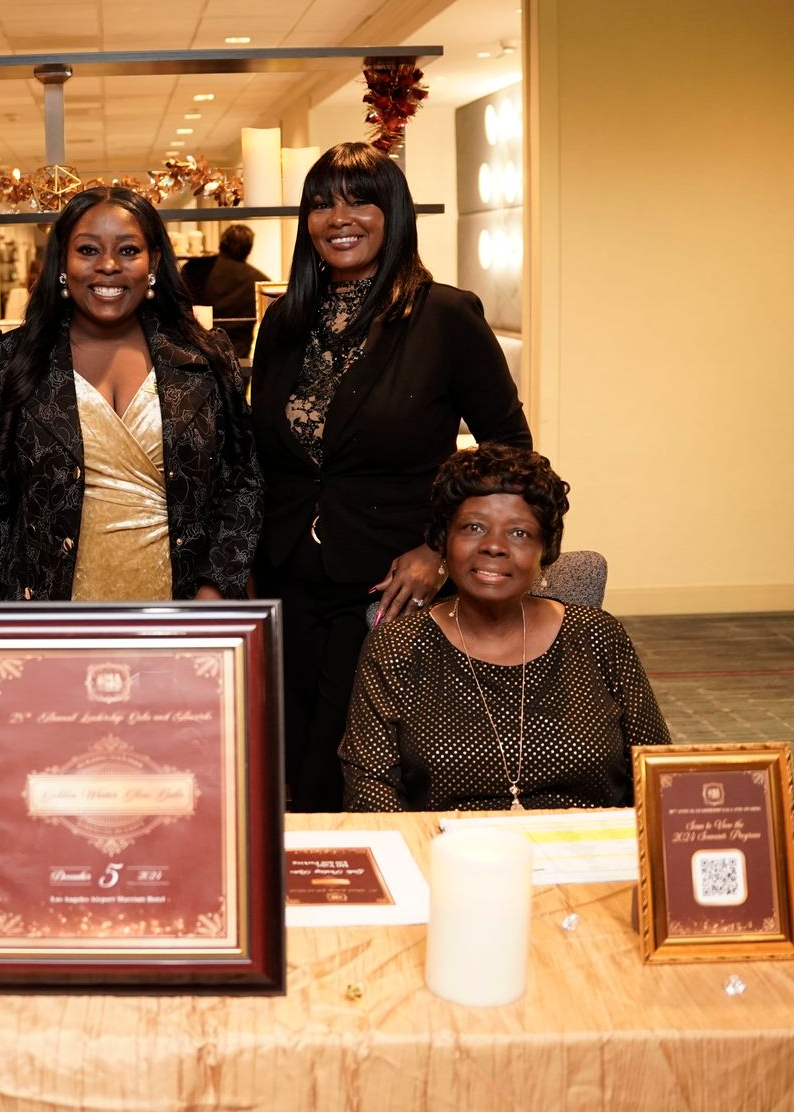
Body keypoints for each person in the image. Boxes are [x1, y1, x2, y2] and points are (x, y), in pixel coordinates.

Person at [251, 142, 530, 811]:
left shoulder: (444, 315)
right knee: (280, 763)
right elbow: (262, 455)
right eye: (321, 203)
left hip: (385, 587)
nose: (338, 217)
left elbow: (511, 450)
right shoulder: (285, 320)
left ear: (394, 213)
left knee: (346, 768)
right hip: (286, 578)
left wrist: (439, 547)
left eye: (359, 199)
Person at [0, 186, 261, 602]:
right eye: (87, 250)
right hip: (48, 621)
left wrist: (215, 589)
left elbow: (243, 481)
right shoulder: (9, 361)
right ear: (62, 262)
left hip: (183, 617)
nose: (107, 266)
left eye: (127, 251)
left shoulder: (205, 358)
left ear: (153, 261)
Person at [340, 444, 670, 812]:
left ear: (544, 551)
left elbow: (658, 771)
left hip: (591, 853)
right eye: (474, 527)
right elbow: (370, 788)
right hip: (450, 856)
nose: (494, 546)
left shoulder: (597, 635)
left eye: (519, 533)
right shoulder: (397, 645)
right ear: (442, 543)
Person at [180, 223, 270, 357]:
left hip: (197, 350)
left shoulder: (195, 268)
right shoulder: (260, 281)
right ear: (249, 249)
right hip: (237, 358)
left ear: (222, 243)